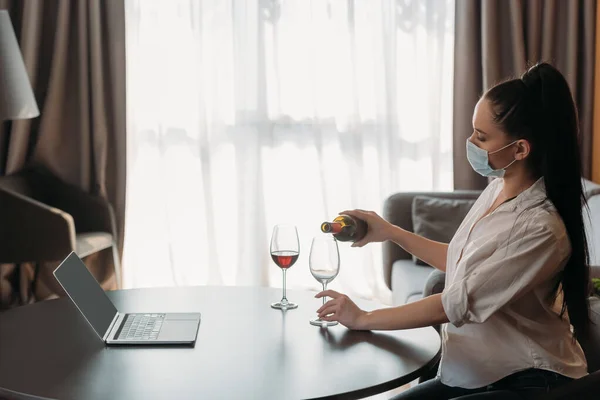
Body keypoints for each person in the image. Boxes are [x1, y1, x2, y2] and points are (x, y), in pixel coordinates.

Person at [315, 63, 590, 399]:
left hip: (528, 377)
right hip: (475, 370)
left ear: (520, 149)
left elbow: (454, 305)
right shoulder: (498, 187)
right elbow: (462, 261)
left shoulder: (541, 228)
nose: (470, 142)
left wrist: (363, 317)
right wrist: (389, 232)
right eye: (474, 131)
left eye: (482, 137)